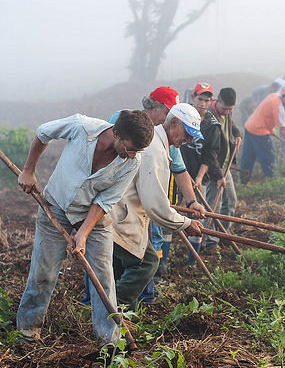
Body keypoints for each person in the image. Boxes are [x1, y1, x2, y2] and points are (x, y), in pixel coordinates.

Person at [16, 111, 154, 346]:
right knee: (43, 272)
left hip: (94, 217)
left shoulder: (132, 162)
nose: (132, 156)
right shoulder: (82, 127)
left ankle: (109, 341)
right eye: (130, 149)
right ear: (116, 133)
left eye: (137, 152)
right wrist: (28, 170)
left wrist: (83, 234)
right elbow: (43, 133)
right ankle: (28, 332)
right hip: (56, 205)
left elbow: (105, 201)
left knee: (103, 276)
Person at [110, 103, 205, 310]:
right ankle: (113, 307)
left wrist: (189, 206)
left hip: (124, 215)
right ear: (173, 123)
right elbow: (155, 205)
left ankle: (121, 318)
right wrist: (185, 223)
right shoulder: (154, 150)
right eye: (187, 134)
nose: (188, 140)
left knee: (120, 270)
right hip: (122, 217)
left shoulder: (160, 146)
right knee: (147, 263)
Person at [180, 82, 225, 260]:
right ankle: (162, 264)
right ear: (193, 97)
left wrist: (198, 177)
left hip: (199, 178)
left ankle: (192, 260)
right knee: (170, 215)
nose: (203, 103)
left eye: (207, 100)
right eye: (200, 99)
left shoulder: (212, 124)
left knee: (197, 215)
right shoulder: (182, 115)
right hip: (178, 173)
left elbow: (210, 154)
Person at [203, 87, 243, 250]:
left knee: (231, 200)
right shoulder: (209, 118)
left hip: (225, 165)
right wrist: (218, 175)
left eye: (230, 109)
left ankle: (223, 233)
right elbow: (209, 152)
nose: (227, 112)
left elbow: (231, 124)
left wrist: (237, 133)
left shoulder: (226, 113)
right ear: (217, 101)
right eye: (224, 108)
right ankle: (211, 241)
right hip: (214, 168)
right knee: (214, 205)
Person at [240, 90, 285, 184]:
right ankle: (273, 182)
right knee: (268, 157)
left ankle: (243, 181)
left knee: (248, 156)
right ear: (284, 98)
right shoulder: (279, 107)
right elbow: (283, 129)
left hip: (250, 126)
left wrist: (271, 130)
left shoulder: (274, 96)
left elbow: (265, 113)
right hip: (259, 131)